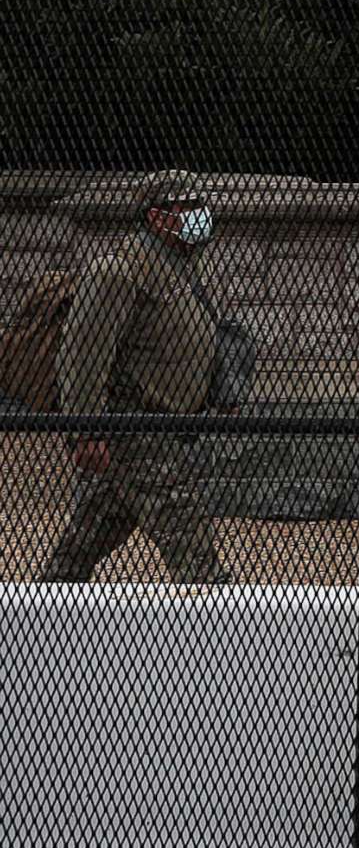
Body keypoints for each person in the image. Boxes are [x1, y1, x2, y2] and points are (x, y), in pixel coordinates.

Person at [39, 170, 231, 584]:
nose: (200, 215)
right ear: (158, 217)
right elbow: (82, 355)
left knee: (80, 548)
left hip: (157, 428)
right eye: (188, 207)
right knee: (191, 543)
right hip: (135, 429)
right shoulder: (119, 271)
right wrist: (86, 431)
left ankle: (36, 619)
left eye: (201, 205)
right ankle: (223, 634)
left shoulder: (174, 266)